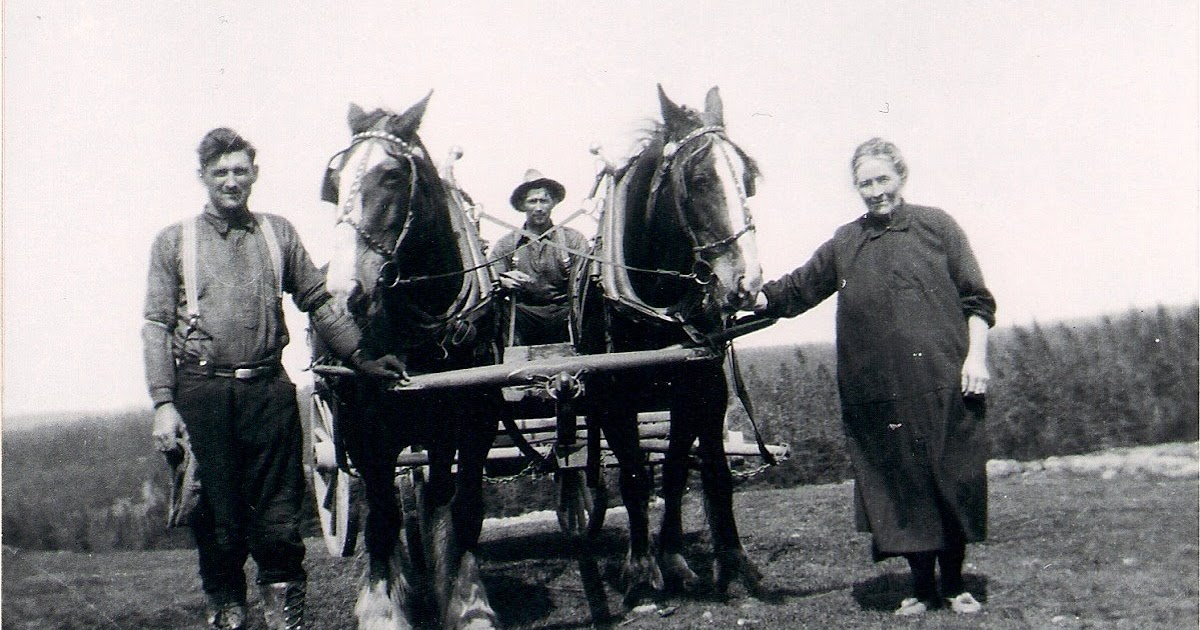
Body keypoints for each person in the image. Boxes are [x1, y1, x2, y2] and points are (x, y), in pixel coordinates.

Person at [143, 128, 404, 630]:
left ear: (254, 175)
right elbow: (155, 325)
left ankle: (287, 624)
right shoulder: (174, 242)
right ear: (202, 177)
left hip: (268, 391)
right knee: (217, 526)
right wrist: (162, 402)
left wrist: (363, 357)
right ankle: (230, 617)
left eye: (241, 170)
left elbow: (320, 302)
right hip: (202, 393)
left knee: (280, 524)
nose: (231, 181)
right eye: (220, 172)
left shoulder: (277, 233)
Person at [753, 138, 995, 616]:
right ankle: (920, 586)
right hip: (878, 393)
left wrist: (976, 360)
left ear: (901, 177)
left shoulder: (938, 227)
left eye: (882, 179)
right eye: (865, 183)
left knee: (951, 477)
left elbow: (978, 301)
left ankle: (954, 584)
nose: (875, 191)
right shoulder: (846, 242)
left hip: (945, 379)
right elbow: (797, 289)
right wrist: (749, 296)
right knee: (899, 483)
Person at [492, 169, 588, 345]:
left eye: (544, 201)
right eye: (532, 201)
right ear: (522, 205)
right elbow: (491, 278)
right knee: (497, 312)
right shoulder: (506, 245)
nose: (538, 207)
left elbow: (585, 281)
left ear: (553, 203)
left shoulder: (573, 240)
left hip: (566, 313)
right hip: (523, 315)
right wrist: (503, 281)